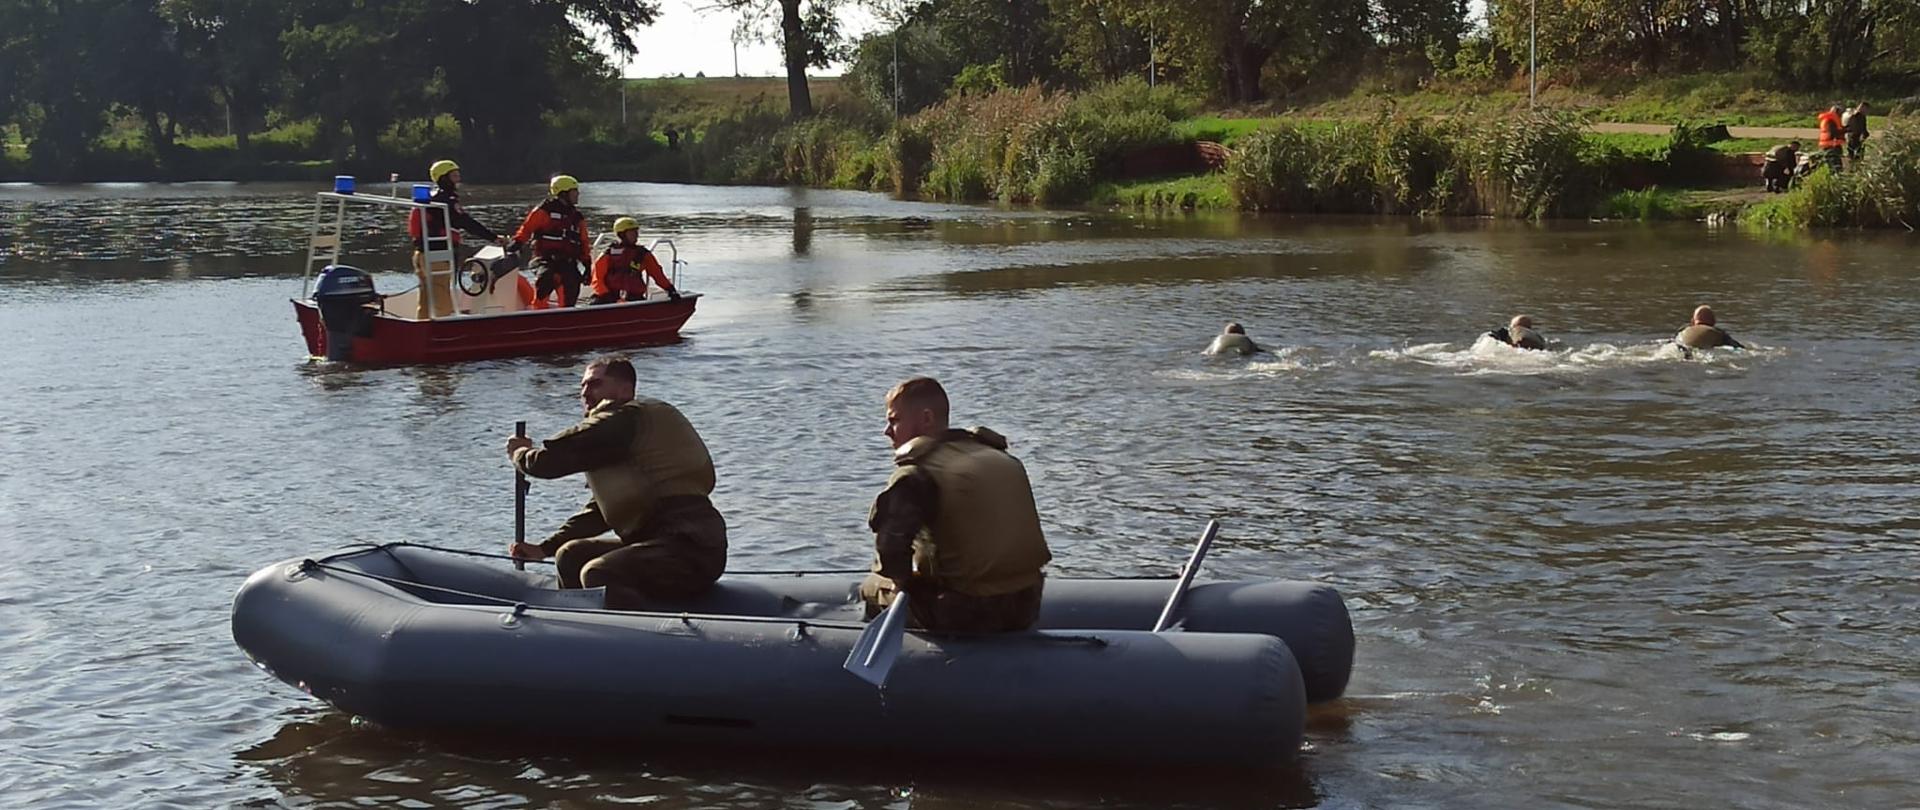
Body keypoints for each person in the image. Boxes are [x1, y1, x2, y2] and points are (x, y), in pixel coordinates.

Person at [506, 355, 727, 609]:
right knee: (569, 555)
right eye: (582, 386)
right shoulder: (620, 441)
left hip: (691, 548)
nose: (585, 393)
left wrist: (520, 454)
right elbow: (602, 511)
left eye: (595, 384)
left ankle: (641, 631)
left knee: (598, 572)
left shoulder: (625, 420)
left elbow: (548, 463)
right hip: (654, 543)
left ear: (625, 390)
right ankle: (578, 625)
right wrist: (546, 548)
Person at [859, 377, 1052, 634]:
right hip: (1026, 605)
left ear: (926, 418)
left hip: (962, 614)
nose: (887, 431)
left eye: (894, 420)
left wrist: (907, 584)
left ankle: (875, 643)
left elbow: (891, 554)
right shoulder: (995, 456)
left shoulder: (917, 474)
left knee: (871, 587)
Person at [406, 159, 505, 319]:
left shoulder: (432, 198)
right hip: (437, 256)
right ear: (443, 178)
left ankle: (421, 326)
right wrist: (493, 238)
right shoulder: (446, 200)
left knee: (426, 300)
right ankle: (444, 331)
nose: (458, 179)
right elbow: (466, 222)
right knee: (442, 301)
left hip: (422, 255)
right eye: (454, 176)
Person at [511, 175, 590, 309]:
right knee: (546, 279)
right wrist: (517, 243)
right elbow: (526, 229)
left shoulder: (577, 217)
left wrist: (587, 265)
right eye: (574, 191)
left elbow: (584, 242)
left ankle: (566, 315)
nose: (577, 194)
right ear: (563, 193)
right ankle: (538, 311)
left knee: (571, 285)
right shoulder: (544, 210)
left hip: (567, 262)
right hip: (544, 259)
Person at [589, 217, 681, 304]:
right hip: (609, 297)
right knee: (595, 302)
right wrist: (605, 295)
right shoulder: (608, 254)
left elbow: (657, 274)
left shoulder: (643, 254)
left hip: (634, 298)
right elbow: (597, 278)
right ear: (621, 235)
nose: (636, 235)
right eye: (632, 233)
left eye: (636, 232)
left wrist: (670, 290)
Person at [1674, 304, 1745, 351]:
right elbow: (1738, 348)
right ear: (1714, 321)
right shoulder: (1719, 333)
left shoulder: (1683, 330)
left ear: (1692, 321)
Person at [1817, 105, 1846, 172]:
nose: (1841, 115)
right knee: (1835, 166)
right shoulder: (1831, 120)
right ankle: (1835, 176)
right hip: (1832, 145)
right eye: (1840, 113)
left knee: (1830, 164)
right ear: (1836, 112)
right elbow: (1834, 132)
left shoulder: (1827, 119)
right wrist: (1846, 130)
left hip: (1827, 144)